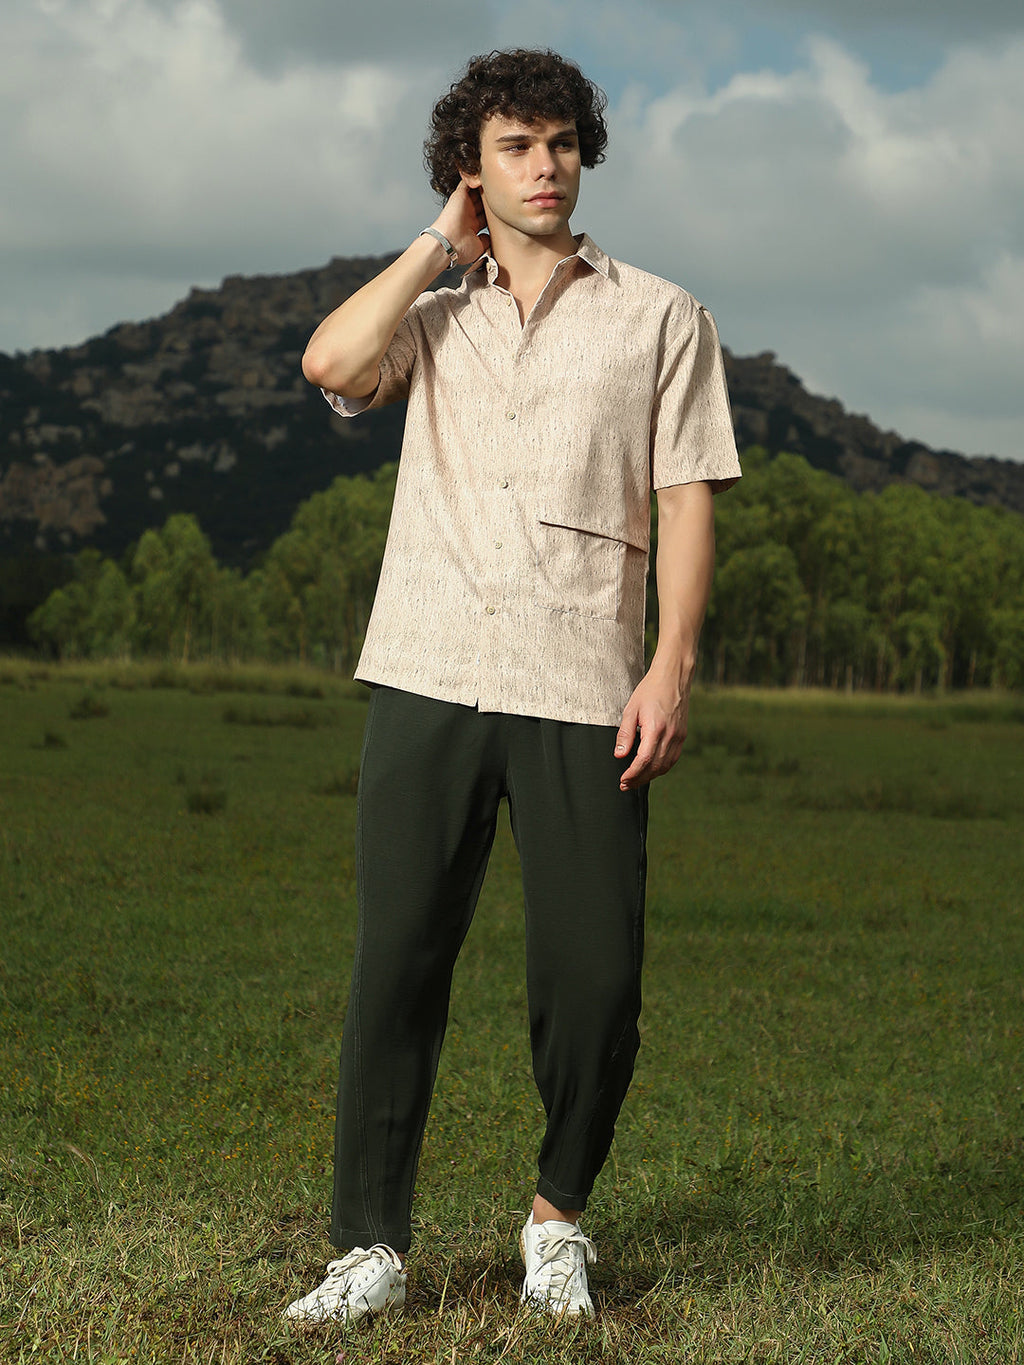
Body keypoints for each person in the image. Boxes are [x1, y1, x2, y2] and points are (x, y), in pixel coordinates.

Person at [284, 47, 740, 1325]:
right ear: (470, 173)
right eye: (513, 149)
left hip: (586, 679)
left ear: (582, 153)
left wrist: (671, 665)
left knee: (596, 976)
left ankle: (557, 1219)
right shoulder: (428, 321)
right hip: (426, 669)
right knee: (397, 965)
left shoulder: (661, 314)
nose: (544, 168)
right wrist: (439, 246)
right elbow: (329, 364)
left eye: (559, 143)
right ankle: (367, 1247)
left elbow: (688, 493)